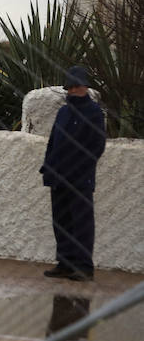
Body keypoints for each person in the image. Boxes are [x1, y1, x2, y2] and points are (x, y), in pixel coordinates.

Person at [39, 66, 106, 282]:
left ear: (85, 86)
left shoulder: (94, 112)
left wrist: (81, 170)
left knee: (82, 223)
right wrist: (48, 166)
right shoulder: (63, 112)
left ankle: (84, 267)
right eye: (71, 85)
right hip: (58, 176)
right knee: (61, 221)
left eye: (78, 85)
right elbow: (53, 142)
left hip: (80, 178)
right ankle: (65, 263)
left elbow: (97, 146)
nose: (75, 89)